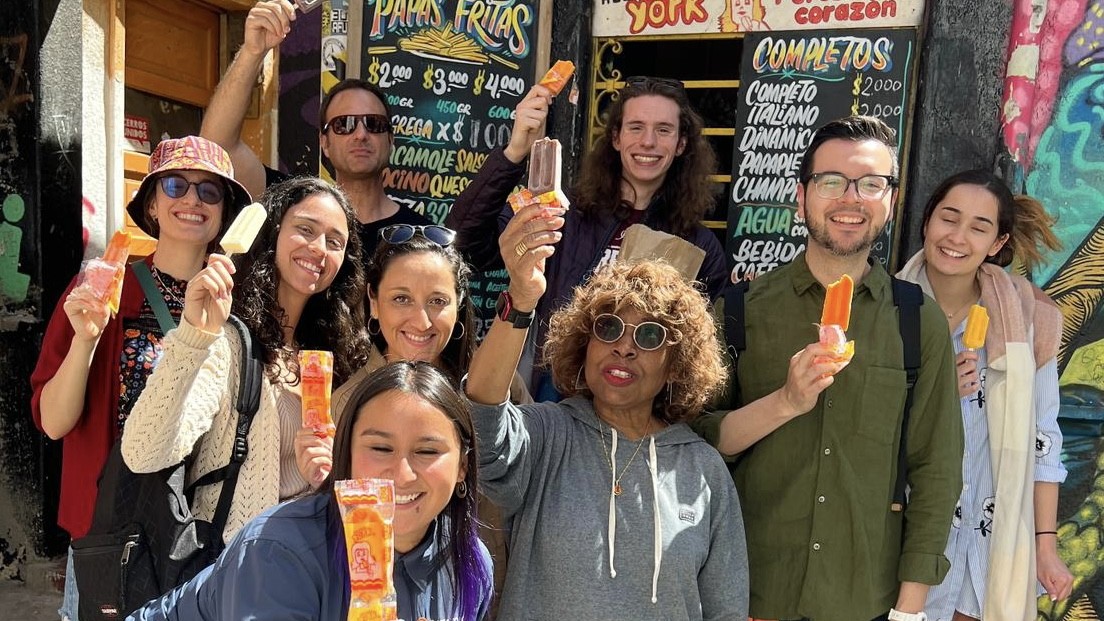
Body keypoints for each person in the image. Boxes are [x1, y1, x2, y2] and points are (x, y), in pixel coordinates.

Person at [694, 116, 964, 621]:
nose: (850, 199)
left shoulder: (916, 320)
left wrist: (909, 611)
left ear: (891, 200)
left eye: (871, 184)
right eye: (831, 181)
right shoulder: (739, 311)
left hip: (864, 598)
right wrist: (785, 403)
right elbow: (697, 444)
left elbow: (937, 470)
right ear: (801, 197)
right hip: (749, 591)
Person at [464, 204, 748, 619]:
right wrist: (521, 299)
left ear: (676, 364)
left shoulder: (703, 470)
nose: (625, 347)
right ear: (584, 343)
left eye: (650, 335)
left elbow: (726, 609)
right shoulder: (548, 436)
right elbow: (481, 420)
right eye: (609, 327)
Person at [29, 135, 252, 621]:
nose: (192, 199)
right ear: (152, 203)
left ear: (223, 213)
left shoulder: (238, 308)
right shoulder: (103, 286)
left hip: (199, 527)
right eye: (175, 185)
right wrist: (86, 338)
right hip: (111, 524)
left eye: (210, 192)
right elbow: (53, 422)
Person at [127, 361, 494, 621]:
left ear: (463, 465)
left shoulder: (470, 563)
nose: (401, 473)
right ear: (344, 456)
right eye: (380, 449)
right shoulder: (278, 549)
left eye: (427, 451)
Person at [120, 176, 371, 547]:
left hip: (311, 563)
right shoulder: (226, 342)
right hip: (237, 571)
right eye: (305, 229)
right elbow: (143, 451)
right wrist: (193, 337)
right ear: (271, 233)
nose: (319, 248)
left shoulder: (334, 354)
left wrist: (328, 478)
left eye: (335, 242)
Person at [446, 76, 728, 396]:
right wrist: (515, 150)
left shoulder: (698, 246)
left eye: (663, 130)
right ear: (616, 138)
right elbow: (463, 245)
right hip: (554, 395)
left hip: (635, 407)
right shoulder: (563, 214)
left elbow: (699, 355)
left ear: (681, 144)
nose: (648, 141)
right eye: (635, 127)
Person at [896, 171, 1073, 620]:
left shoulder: (1029, 318)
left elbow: (1043, 438)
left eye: (978, 227)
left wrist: (1046, 548)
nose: (957, 237)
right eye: (948, 219)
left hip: (992, 544)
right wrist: (932, 397)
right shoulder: (887, 311)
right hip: (906, 540)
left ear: (997, 243)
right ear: (927, 223)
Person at [200, 0, 430, 261]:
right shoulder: (291, 204)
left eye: (373, 124)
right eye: (344, 124)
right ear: (324, 142)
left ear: (391, 139)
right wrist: (253, 51)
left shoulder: (419, 237)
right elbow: (216, 148)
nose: (360, 134)